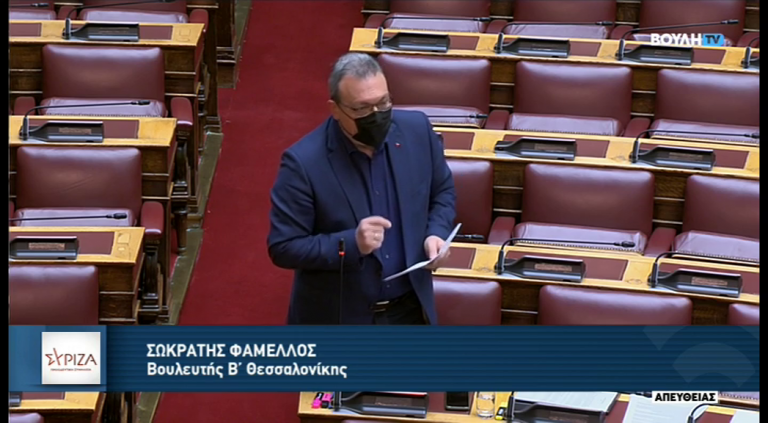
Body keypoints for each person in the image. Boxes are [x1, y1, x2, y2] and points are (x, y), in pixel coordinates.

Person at [267, 53, 457, 325]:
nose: (376, 115)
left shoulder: (417, 131)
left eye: (383, 102)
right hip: (339, 319)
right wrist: (351, 244)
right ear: (335, 109)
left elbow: (442, 192)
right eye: (362, 109)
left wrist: (436, 233)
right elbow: (284, 247)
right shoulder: (303, 163)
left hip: (411, 310)